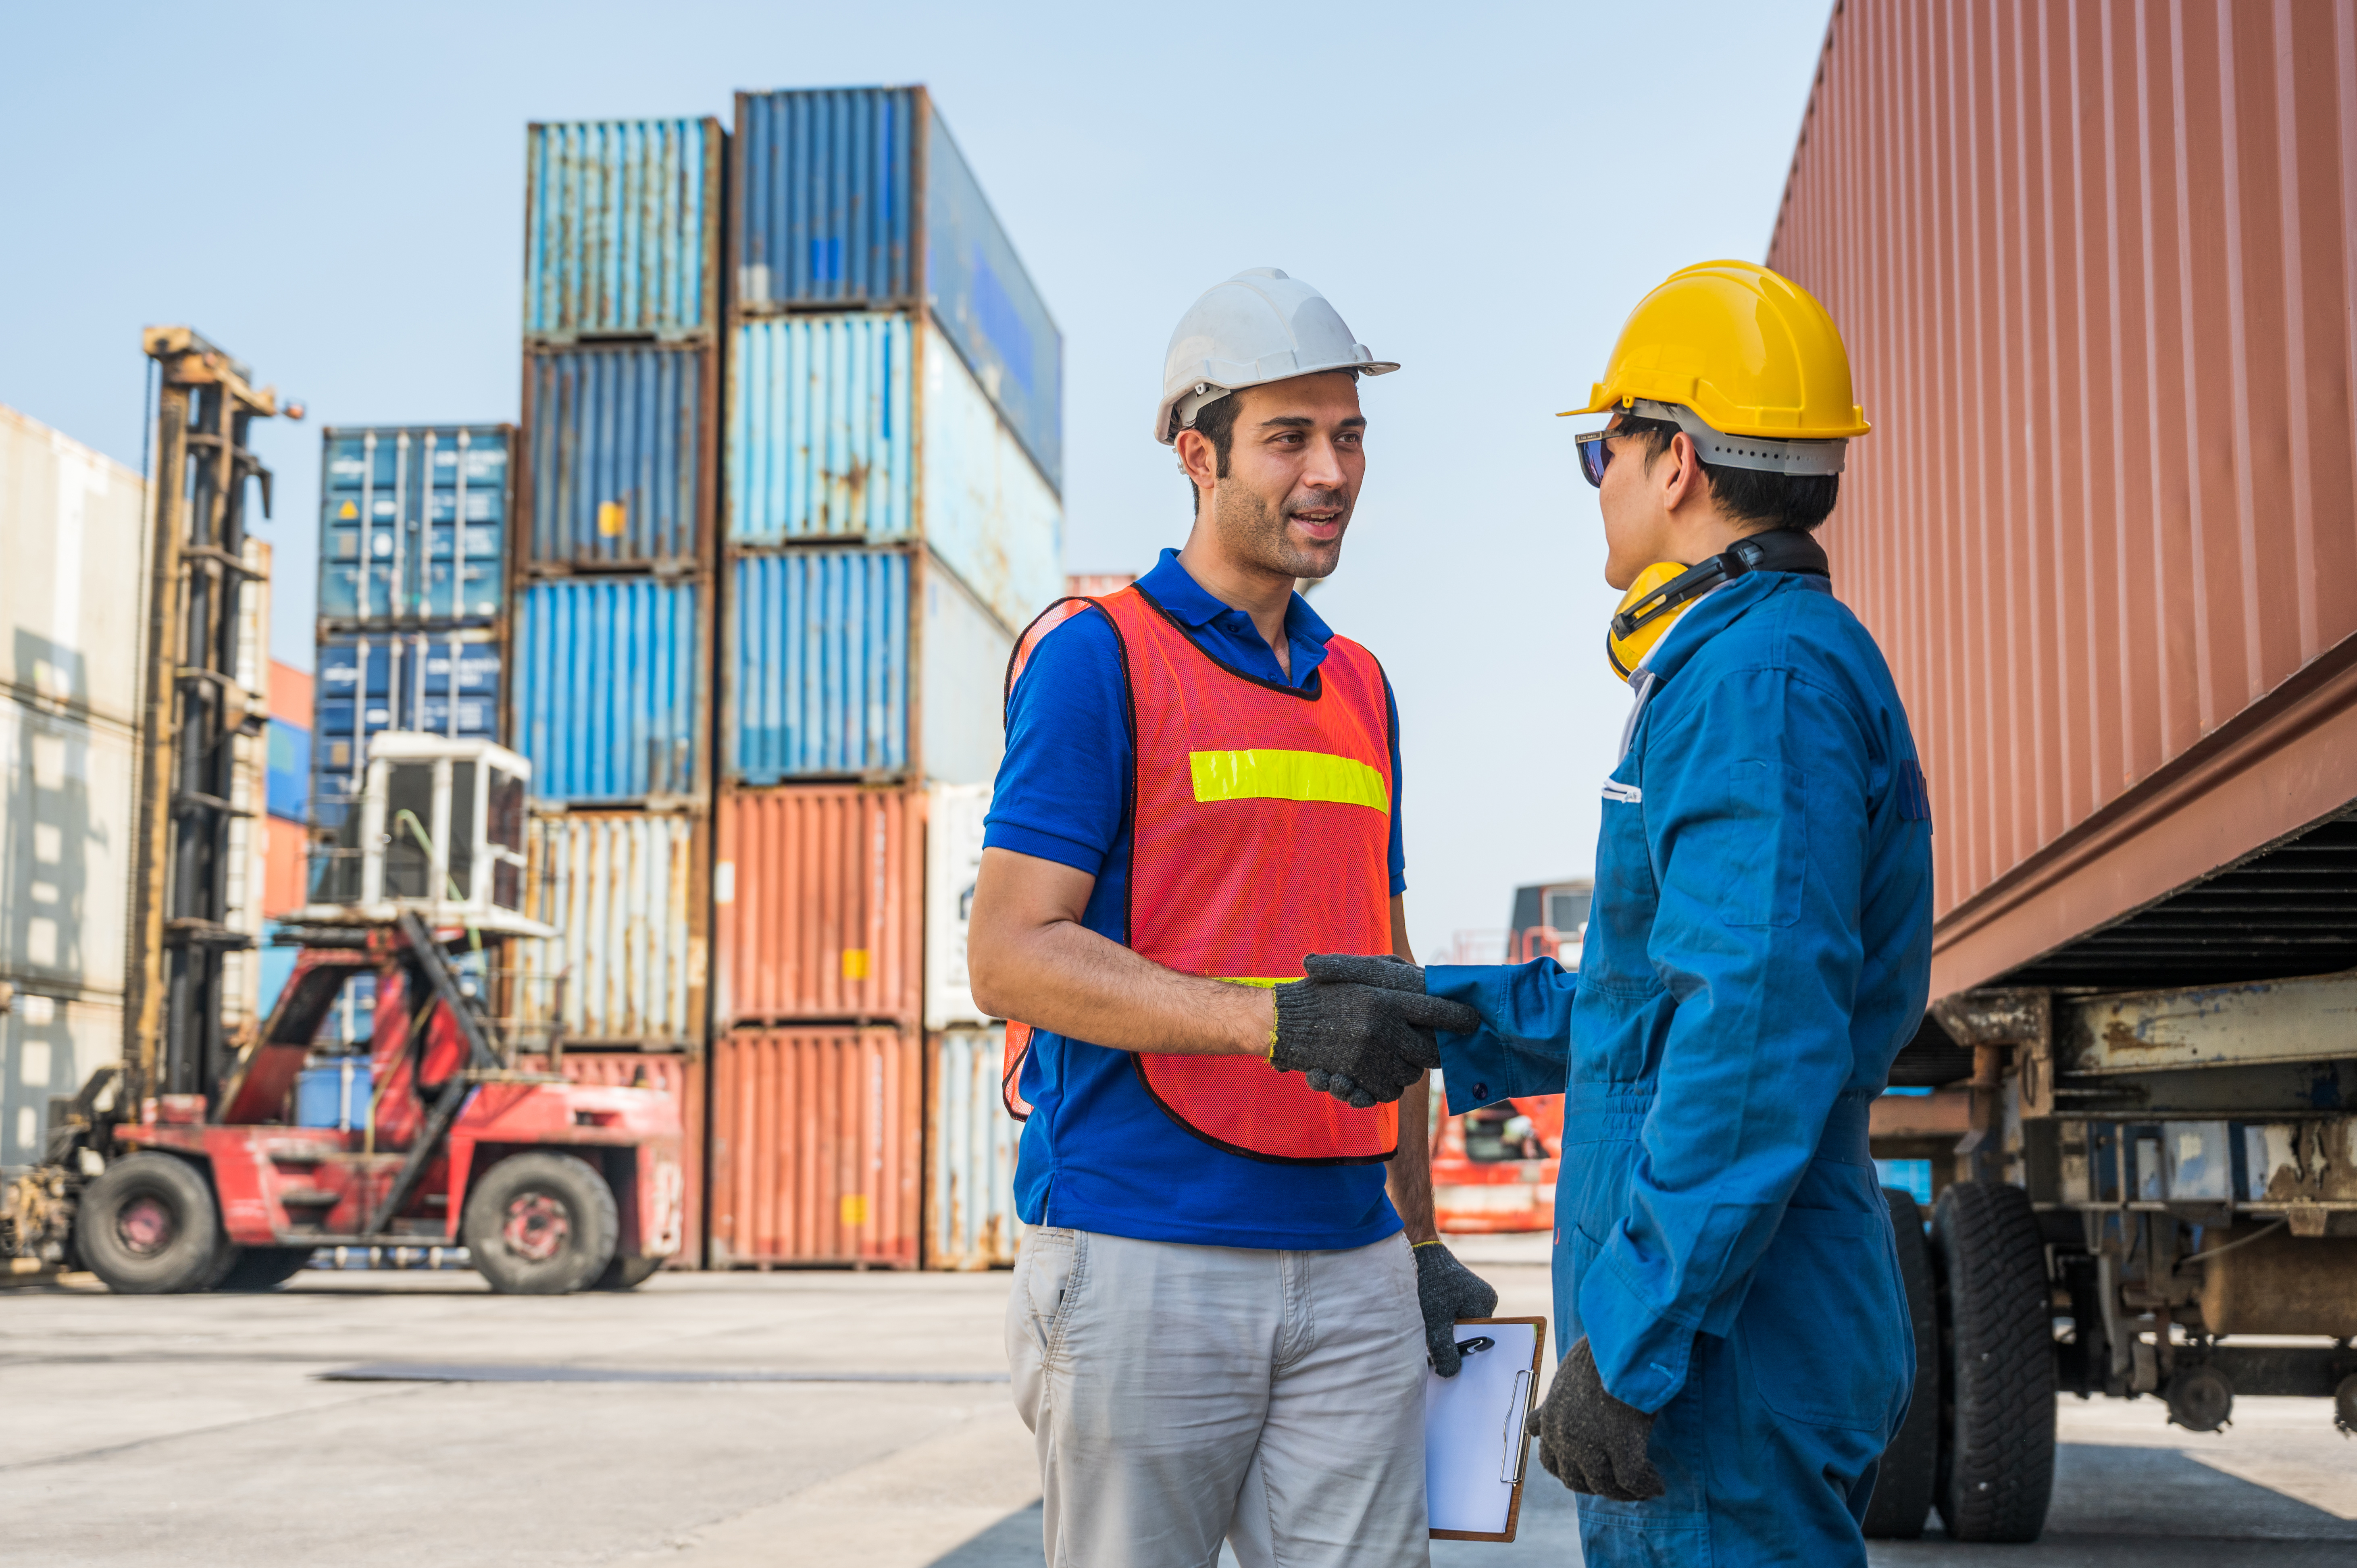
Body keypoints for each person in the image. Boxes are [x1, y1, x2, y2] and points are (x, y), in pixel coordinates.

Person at [1304, 260, 1934, 1565]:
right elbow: (1662, 1005)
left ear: (1679, 463)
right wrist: (1447, 1019)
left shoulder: (1758, 681)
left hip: (1724, 1356)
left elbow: (1750, 1043)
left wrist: (1636, 1346)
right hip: (1723, 1331)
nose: (1599, 479)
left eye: (1606, 447)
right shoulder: (1750, 664)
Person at [968, 267, 1494, 1568]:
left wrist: (1423, 1236)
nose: (1332, 470)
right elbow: (1010, 952)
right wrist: (1269, 1021)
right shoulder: (1100, 657)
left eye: (1351, 434)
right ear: (1197, 454)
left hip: (1356, 1255)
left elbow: (1393, 978)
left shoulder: (1360, 686)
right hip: (1147, 1250)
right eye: (1291, 436)